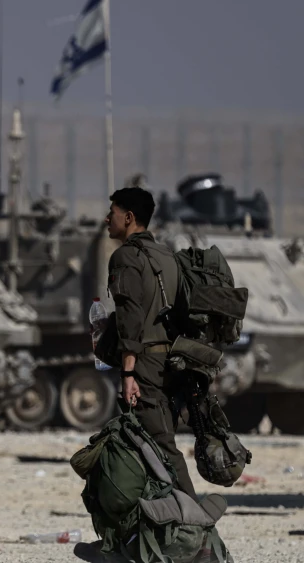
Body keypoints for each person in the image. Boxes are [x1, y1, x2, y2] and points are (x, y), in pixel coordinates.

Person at [104, 182, 198, 502]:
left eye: (112, 213)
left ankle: (194, 518)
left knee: (159, 443)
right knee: (151, 440)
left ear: (129, 218)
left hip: (145, 364)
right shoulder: (166, 255)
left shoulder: (125, 257)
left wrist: (128, 372)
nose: (107, 219)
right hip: (169, 361)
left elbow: (130, 315)